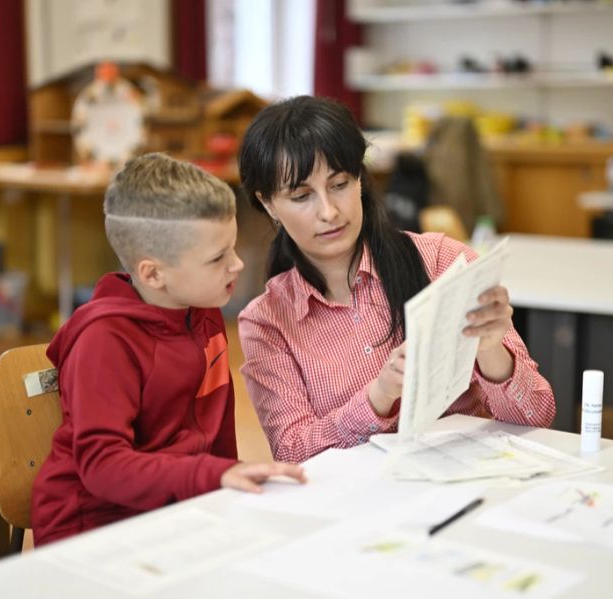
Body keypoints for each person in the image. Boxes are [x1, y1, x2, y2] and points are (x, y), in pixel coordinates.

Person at [237, 96, 556, 464]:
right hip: (363, 509)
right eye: (301, 196)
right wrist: (379, 396)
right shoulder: (267, 321)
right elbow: (293, 452)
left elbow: (537, 415)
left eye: (339, 184)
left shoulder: (442, 263)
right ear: (268, 204)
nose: (328, 211)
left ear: (360, 178)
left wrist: (490, 349)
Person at [32, 153, 305, 546]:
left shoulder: (205, 311)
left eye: (232, 247)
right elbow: (102, 466)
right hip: (94, 529)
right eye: (217, 258)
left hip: (179, 510)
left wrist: (229, 482)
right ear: (153, 273)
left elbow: (216, 438)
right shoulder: (104, 341)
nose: (238, 265)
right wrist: (211, 477)